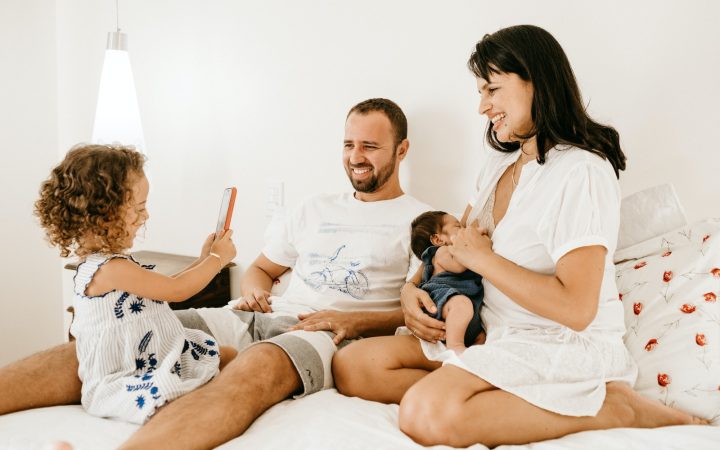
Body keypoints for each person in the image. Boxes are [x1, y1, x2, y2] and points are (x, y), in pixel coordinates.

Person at [332, 25, 707, 448]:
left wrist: (486, 261)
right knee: (353, 366)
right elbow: (457, 245)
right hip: (492, 330)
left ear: (536, 82)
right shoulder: (499, 163)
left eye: (492, 90)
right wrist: (410, 288)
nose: (482, 107)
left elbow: (578, 308)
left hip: (558, 342)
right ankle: (494, 388)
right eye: (480, 92)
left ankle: (616, 408)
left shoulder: (580, 171)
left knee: (425, 412)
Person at [0, 98, 431, 449]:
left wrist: (357, 321)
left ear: (401, 150)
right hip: (255, 315)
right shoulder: (314, 207)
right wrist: (255, 291)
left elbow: (421, 313)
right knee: (127, 328)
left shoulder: (423, 221)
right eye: (348, 144)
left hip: (322, 333)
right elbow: (262, 269)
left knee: (256, 367)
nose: (355, 157)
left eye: (370, 147)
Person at [33, 144, 238, 424]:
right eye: (139, 208)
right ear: (103, 214)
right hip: (130, 371)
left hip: (157, 354)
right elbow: (177, 292)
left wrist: (204, 259)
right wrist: (217, 259)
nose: (146, 216)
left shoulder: (110, 263)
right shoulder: (110, 269)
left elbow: (165, 285)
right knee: (173, 393)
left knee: (226, 356)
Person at [409, 211, 483, 353]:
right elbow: (459, 265)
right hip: (442, 300)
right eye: (457, 226)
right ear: (438, 240)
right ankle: (455, 346)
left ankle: (472, 352)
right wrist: (476, 236)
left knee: (481, 335)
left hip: (463, 311)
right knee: (461, 304)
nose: (464, 229)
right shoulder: (441, 252)